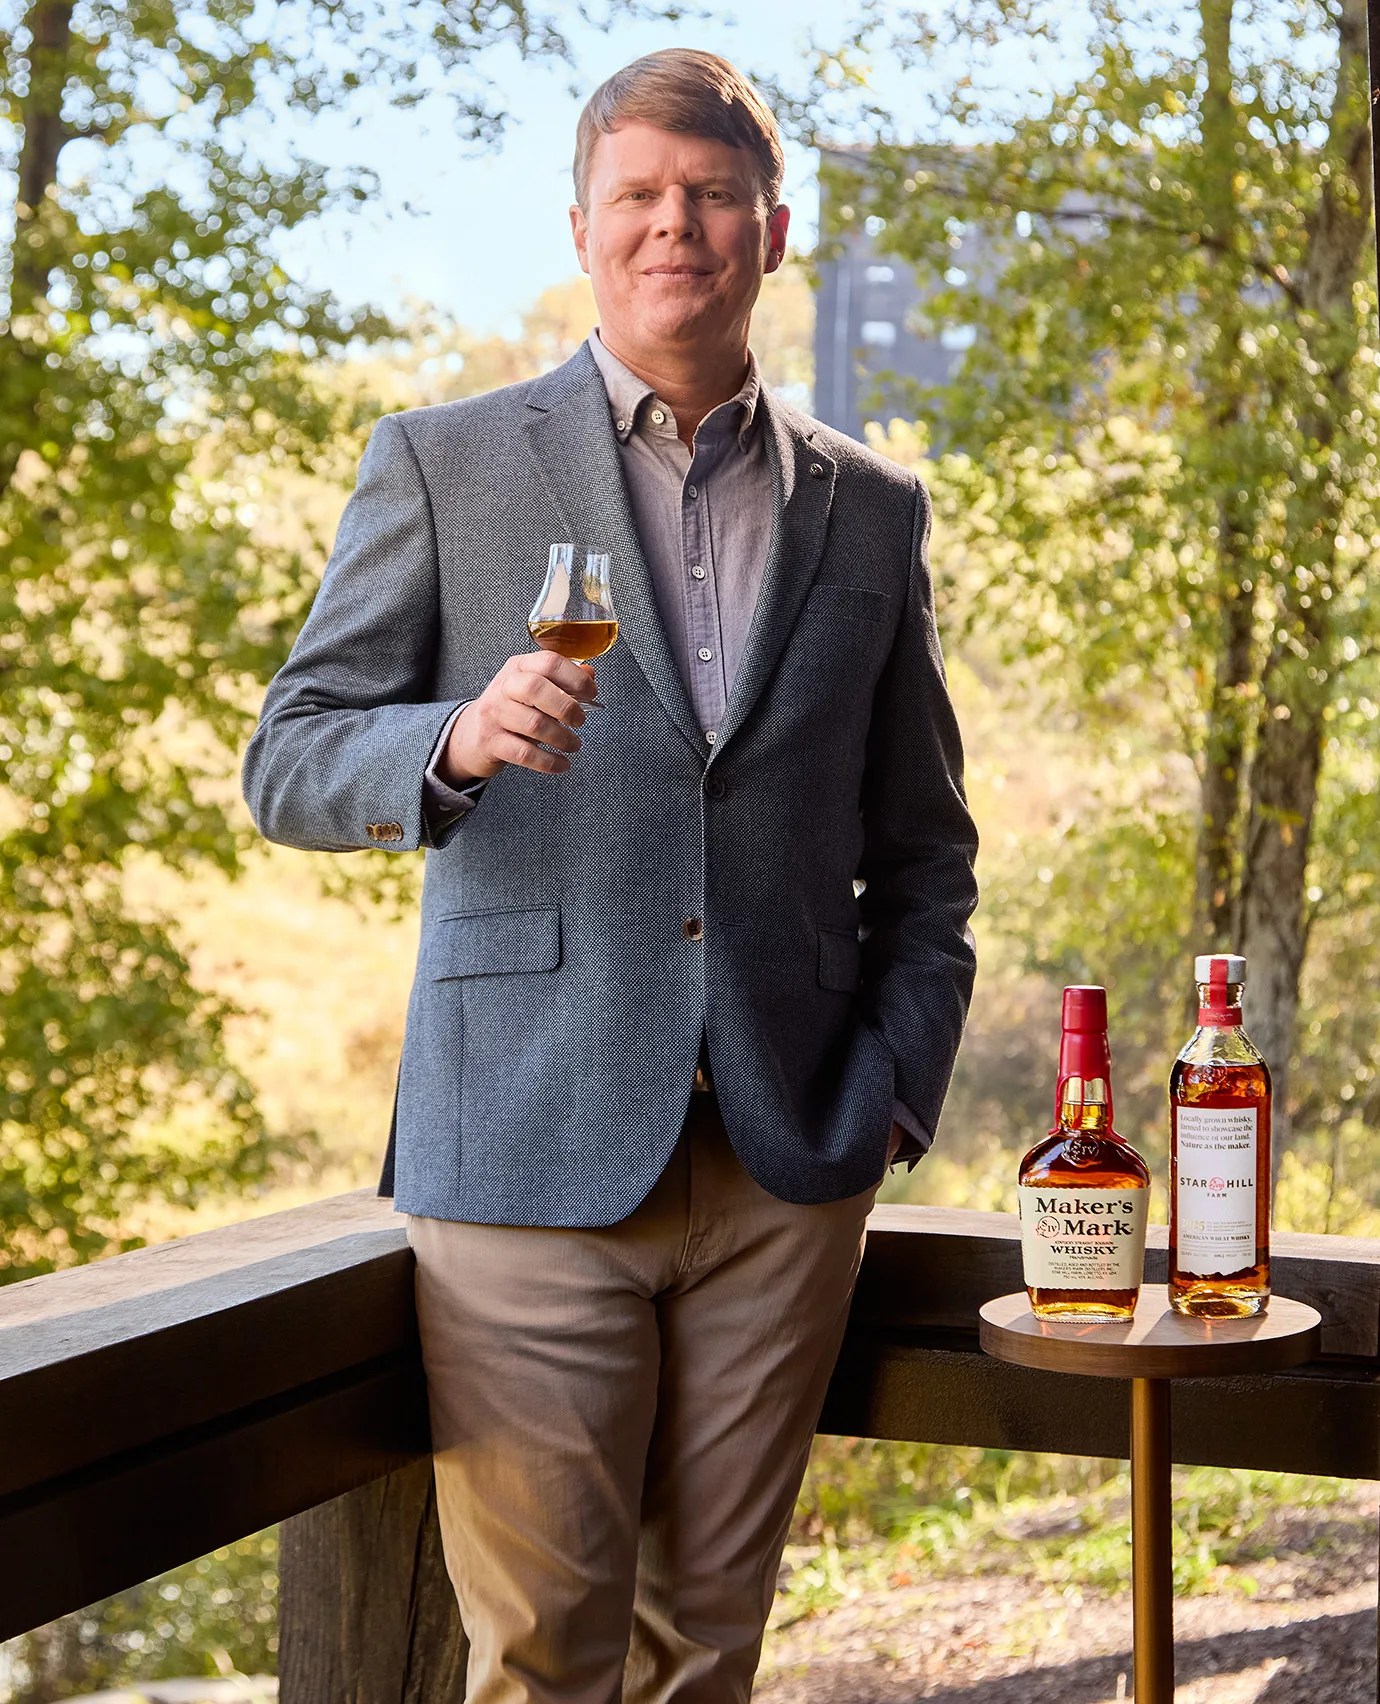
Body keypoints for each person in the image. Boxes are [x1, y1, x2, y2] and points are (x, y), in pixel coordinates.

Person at [242, 47, 978, 1704]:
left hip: (790, 1168)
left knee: (703, 1658)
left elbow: (927, 855)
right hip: (524, 1151)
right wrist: (453, 738)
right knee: (543, 1664)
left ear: (772, 231)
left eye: (712, 195)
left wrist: (890, 1104)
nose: (676, 226)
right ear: (581, 227)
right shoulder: (443, 459)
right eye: (639, 194)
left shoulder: (872, 507)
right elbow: (289, 757)